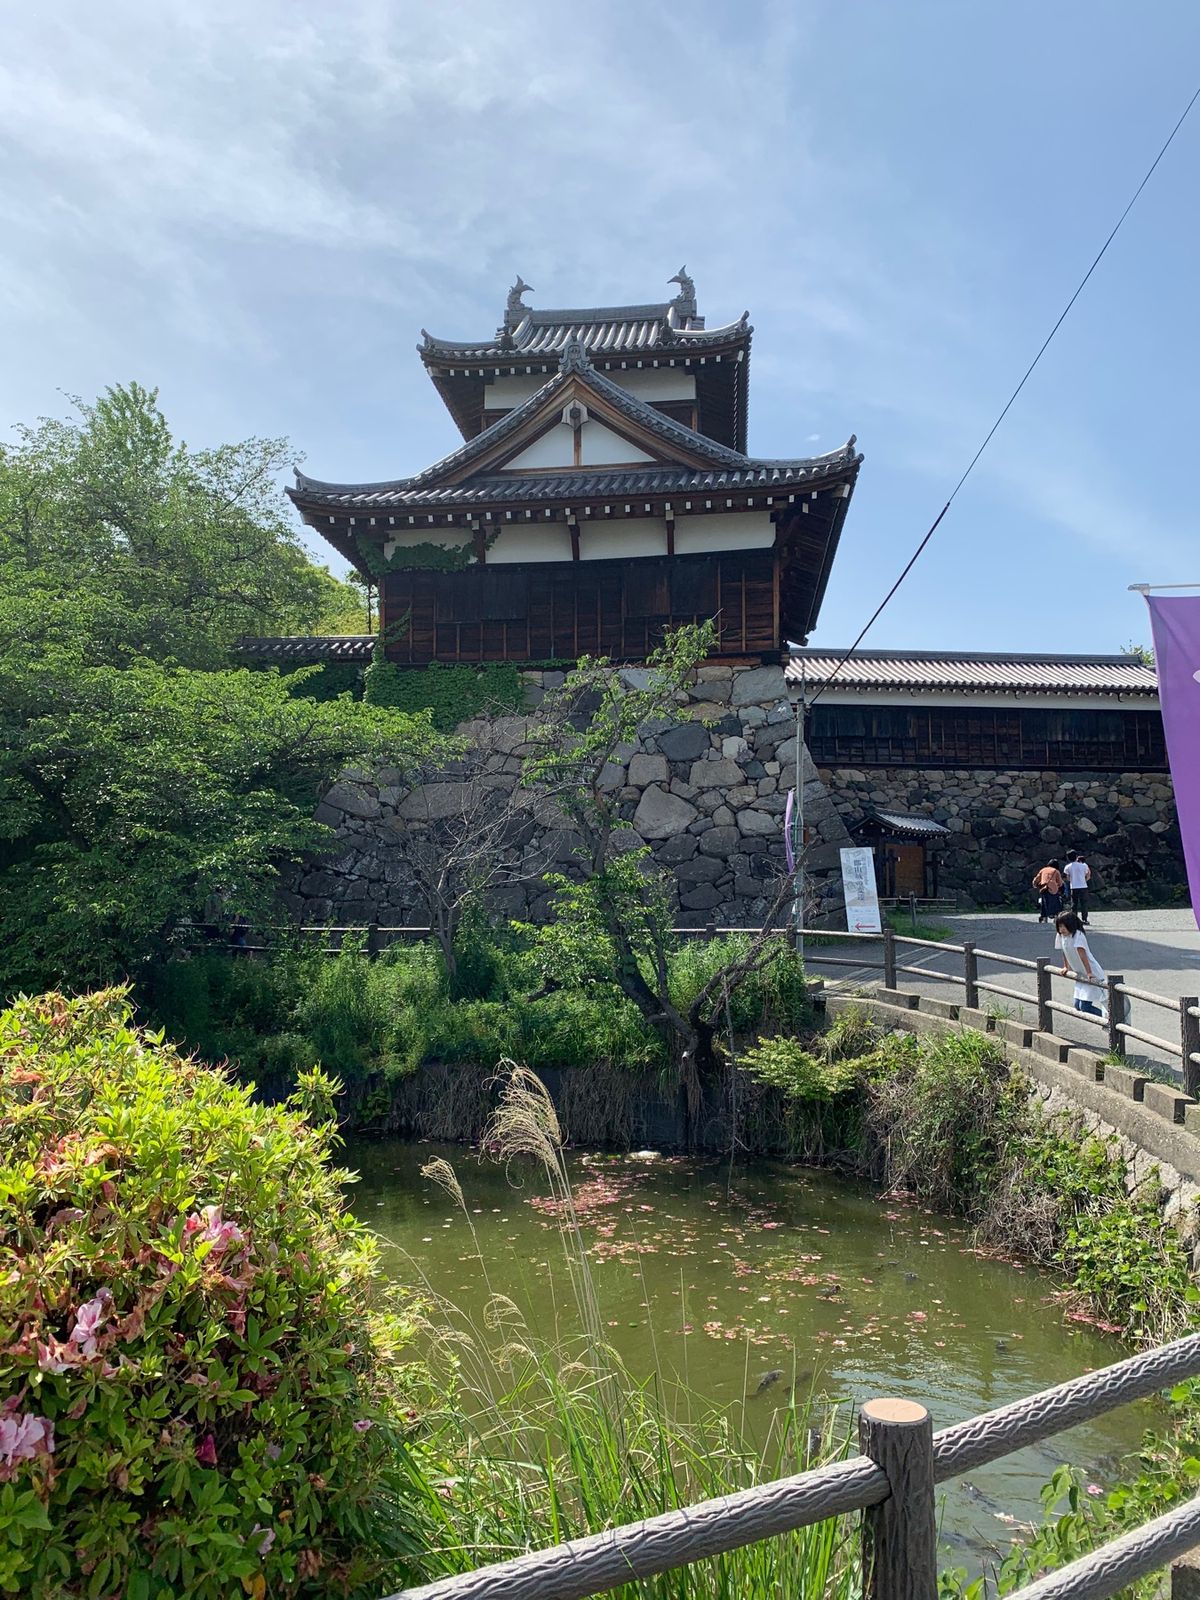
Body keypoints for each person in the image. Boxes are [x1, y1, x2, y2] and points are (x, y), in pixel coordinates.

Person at [1055, 911, 1107, 1019]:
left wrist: (1089, 972)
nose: (1062, 929)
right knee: (1077, 1006)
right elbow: (1064, 951)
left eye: (1064, 926)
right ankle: (1107, 1019)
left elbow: (1083, 956)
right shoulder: (1061, 936)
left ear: (1071, 925)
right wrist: (1066, 966)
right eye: (1059, 926)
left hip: (1091, 973)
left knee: (1085, 1007)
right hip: (1080, 974)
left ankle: (1108, 1020)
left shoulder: (1077, 935)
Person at [1031, 858, 1064, 923]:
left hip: (1044, 888)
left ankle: (1044, 917)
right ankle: (1055, 916)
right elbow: (1060, 882)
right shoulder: (1056, 871)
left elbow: (1036, 879)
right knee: (1055, 903)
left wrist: (1035, 885)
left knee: (1044, 903)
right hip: (1053, 889)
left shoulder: (1043, 870)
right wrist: (1061, 889)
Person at [1063, 852, 1091, 923]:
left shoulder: (1067, 867)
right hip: (1083, 886)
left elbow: (1068, 878)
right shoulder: (1083, 865)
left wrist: (1073, 880)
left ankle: (1074, 919)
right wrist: (1084, 880)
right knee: (1084, 903)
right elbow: (1088, 875)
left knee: (1074, 904)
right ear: (1076, 856)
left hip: (1074, 887)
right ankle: (1084, 919)